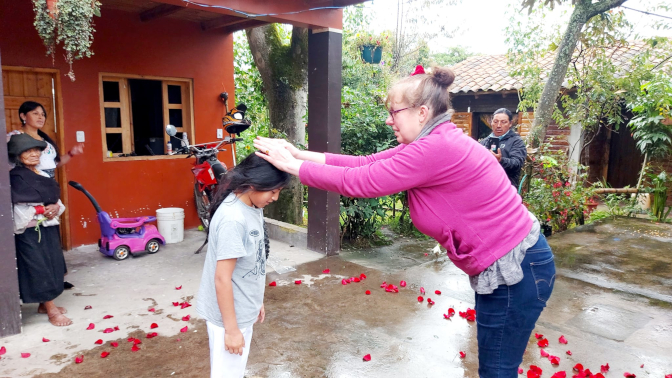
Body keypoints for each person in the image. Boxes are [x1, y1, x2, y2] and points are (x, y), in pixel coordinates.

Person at [253, 65, 556, 378]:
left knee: (496, 372)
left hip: (517, 268)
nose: (388, 119)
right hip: (515, 265)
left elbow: (361, 182)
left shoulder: (435, 147)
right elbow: (364, 164)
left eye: (393, 112)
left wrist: (291, 167)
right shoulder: (432, 141)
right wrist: (298, 155)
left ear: (421, 112)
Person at [196, 154, 290, 378]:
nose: (275, 198)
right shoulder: (233, 219)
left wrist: (256, 301)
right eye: (273, 191)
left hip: (241, 310)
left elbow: (250, 262)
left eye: (278, 192)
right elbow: (222, 278)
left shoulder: (251, 206)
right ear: (253, 184)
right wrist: (231, 330)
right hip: (229, 319)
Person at [8, 101, 84, 290]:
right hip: (28, 189)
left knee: (51, 237)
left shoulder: (46, 141)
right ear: (23, 116)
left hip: (47, 187)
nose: (41, 117)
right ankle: (39, 285)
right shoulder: (15, 138)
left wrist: (71, 154)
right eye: (35, 113)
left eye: (43, 114)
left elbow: (56, 164)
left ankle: (55, 278)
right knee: (34, 242)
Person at [8, 133, 71, 327]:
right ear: (18, 155)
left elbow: (56, 201)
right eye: (28, 151)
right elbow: (17, 208)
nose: (34, 154)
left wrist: (54, 208)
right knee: (39, 267)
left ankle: (44, 305)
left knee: (53, 263)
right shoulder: (15, 177)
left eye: (36, 150)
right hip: (29, 231)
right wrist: (42, 209)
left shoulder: (42, 174)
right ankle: (51, 310)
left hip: (48, 227)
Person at [479, 108, 527, 188]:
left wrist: (500, 160)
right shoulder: (484, 142)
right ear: (491, 122)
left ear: (510, 123)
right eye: (495, 121)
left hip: (506, 188)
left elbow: (517, 163)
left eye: (503, 122)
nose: (498, 125)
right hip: (485, 187)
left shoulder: (516, 141)